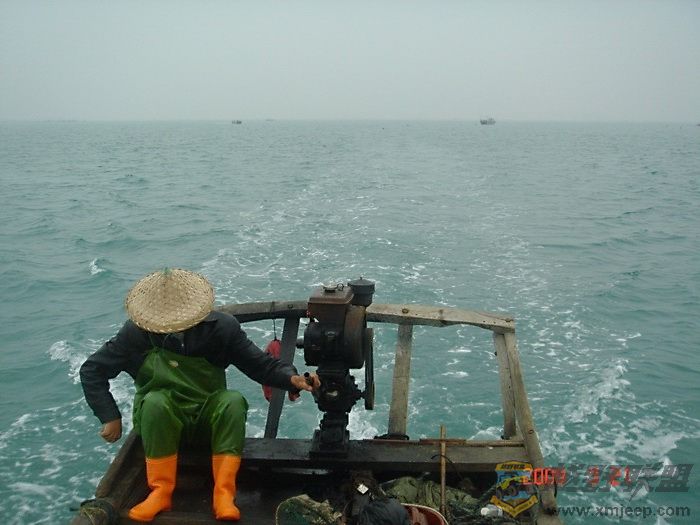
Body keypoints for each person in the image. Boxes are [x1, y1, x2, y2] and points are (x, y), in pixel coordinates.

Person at [79, 268, 319, 522]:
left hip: (207, 418)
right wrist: (110, 416)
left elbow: (260, 365)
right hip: (162, 426)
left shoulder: (221, 328)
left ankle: (223, 493)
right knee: (155, 402)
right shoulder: (136, 333)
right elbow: (93, 370)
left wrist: (292, 379)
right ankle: (160, 491)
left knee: (232, 401)